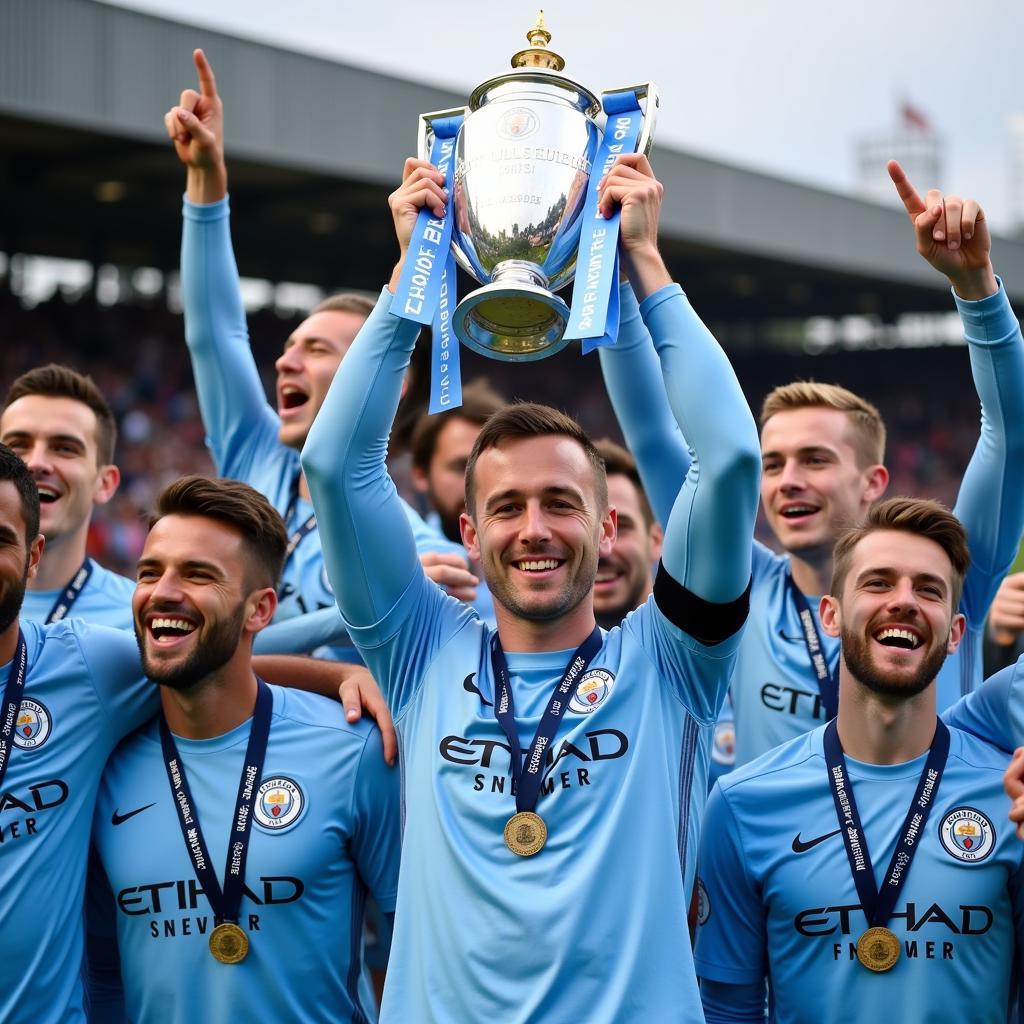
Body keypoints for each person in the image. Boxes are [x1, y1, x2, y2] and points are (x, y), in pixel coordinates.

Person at [302, 151, 761, 1021]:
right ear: (468, 536)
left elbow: (730, 458)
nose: (536, 529)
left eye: (562, 503)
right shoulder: (419, 647)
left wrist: (649, 268)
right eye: (506, 508)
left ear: (610, 528)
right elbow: (337, 462)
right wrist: (412, 277)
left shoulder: (673, 662)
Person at [601, 161, 1024, 770]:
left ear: (872, 482)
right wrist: (612, 274)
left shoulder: (952, 580)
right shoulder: (739, 583)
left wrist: (975, 285)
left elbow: (1008, 433)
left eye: (814, 460)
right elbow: (653, 434)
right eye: (771, 464)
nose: (786, 480)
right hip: (771, 866)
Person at [0, 443, 383, 1024]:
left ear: (32, 557)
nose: (164, 591)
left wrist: (339, 674)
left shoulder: (77, 669)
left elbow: (200, 657)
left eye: (1, 538)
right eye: (150, 572)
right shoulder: (110, 749)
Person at [164, 48, 472, 661]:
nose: (284, 363)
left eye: (317, 349)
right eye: (287, 348)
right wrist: (206, 181)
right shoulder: (254, 458)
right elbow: (216, 332)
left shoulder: (421, 555)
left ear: (383, 379)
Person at [694, 498, 1024, 1022]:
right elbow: (727, 1008)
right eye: (878, 583)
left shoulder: (1008, 795)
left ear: (956, 633)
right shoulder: (742, 804)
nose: (904, 601)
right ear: (831, 614)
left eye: (929, 589)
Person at [92, 476, 399, 1023]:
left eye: (198, 574)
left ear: (260, 611)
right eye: (149, 571)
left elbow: (413, 945)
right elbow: (101, 968)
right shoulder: (103, 764)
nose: (162, 591)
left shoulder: (354, 751)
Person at [2, 365, 131, 630]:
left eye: (64, 448)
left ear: (105, 483)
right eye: (18, 445)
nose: (36, 463)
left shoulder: (140, 626)